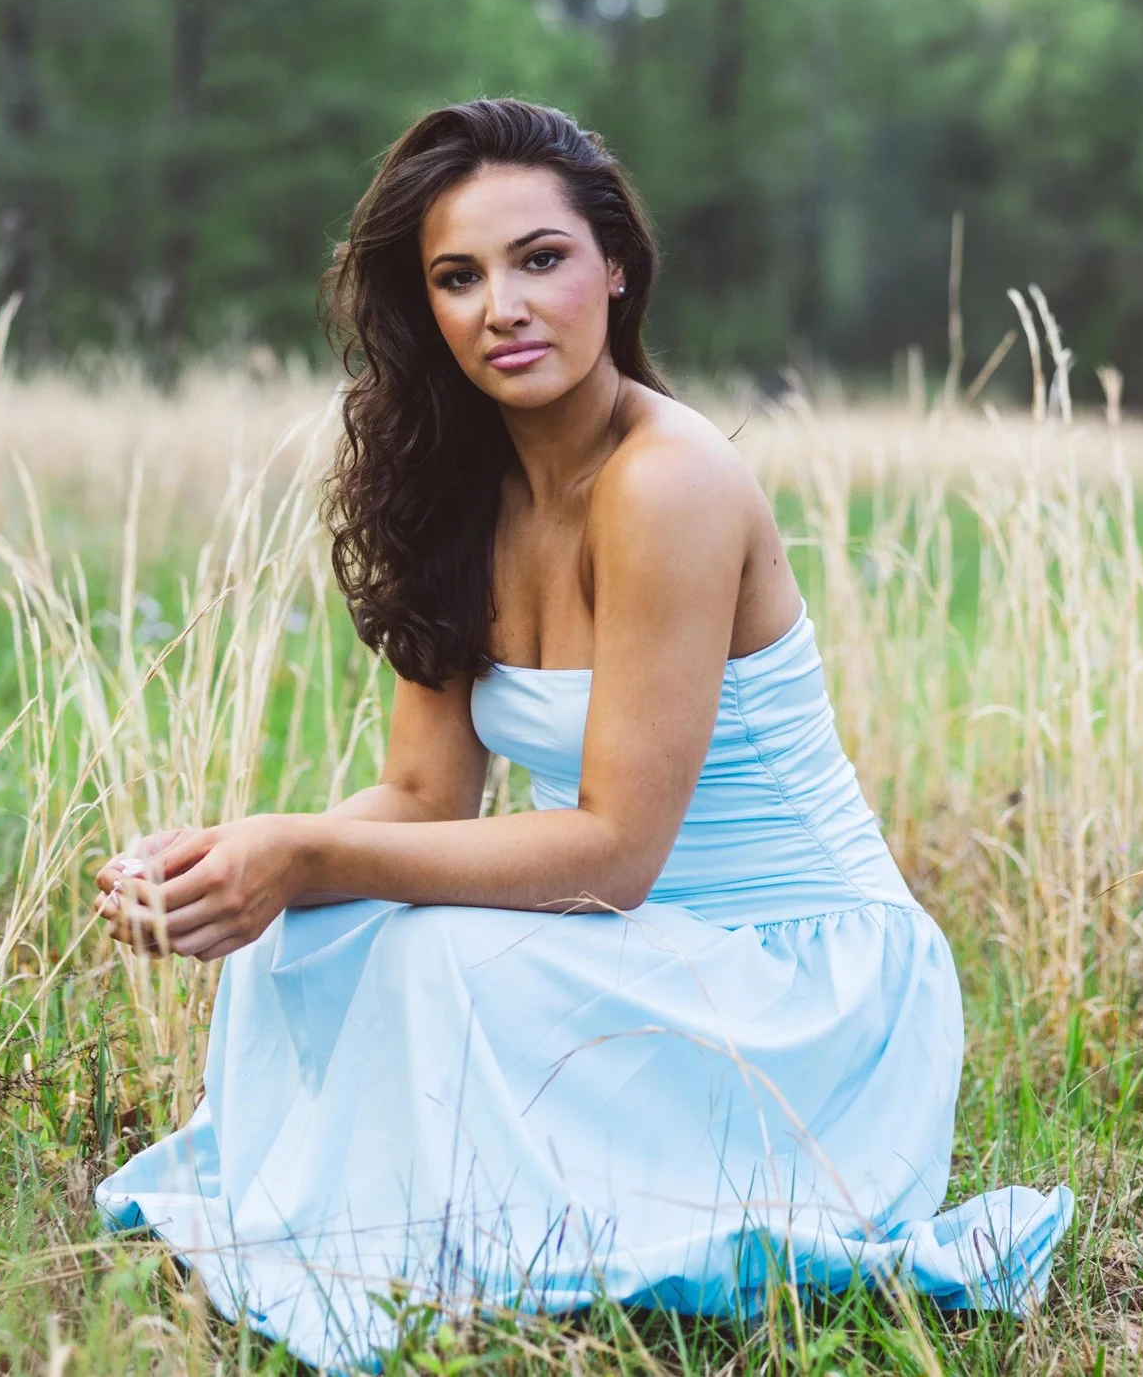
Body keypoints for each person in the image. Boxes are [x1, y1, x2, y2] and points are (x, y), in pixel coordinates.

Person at [93, 98, 1072, 1369]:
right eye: (459, 276)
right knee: (313, 929)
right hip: (637, 953)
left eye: (539, 258)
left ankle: (424, 1255)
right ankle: (359, 1231)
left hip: (797, 987)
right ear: (424, 310)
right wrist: (236, 856)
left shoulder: (669, 481)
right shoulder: (456, 492)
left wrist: (306, 854)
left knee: (424, 955)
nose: (502, 304)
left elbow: (614, 858)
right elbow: (419, 796)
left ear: (615, 267)